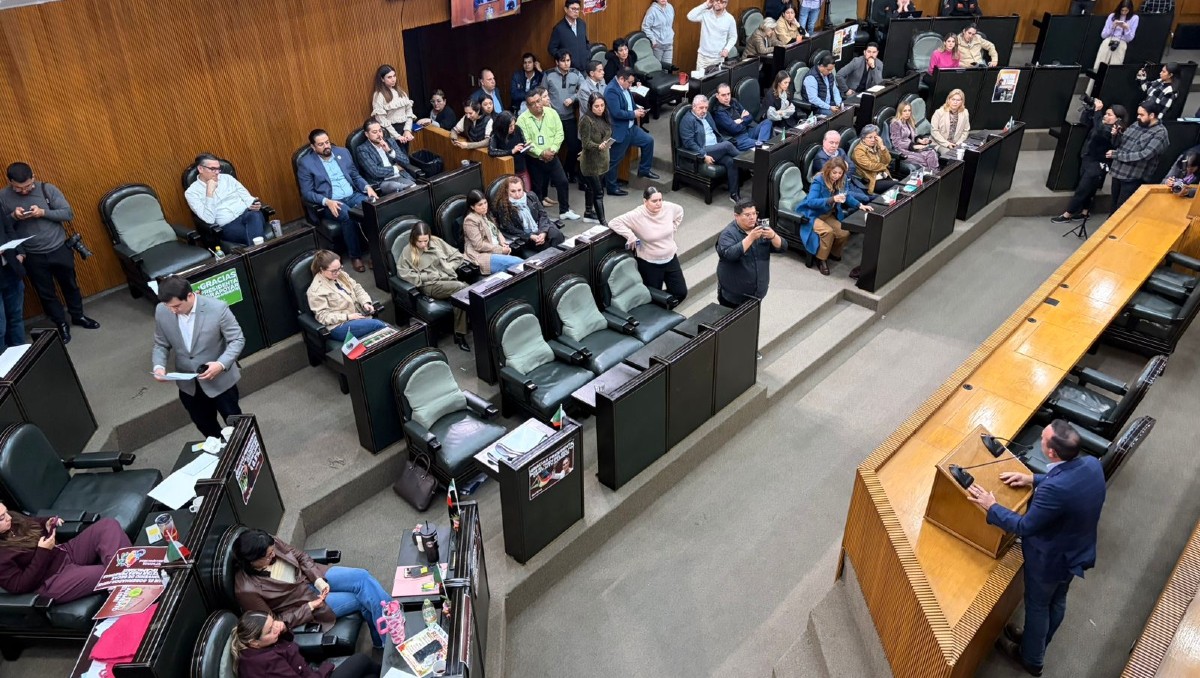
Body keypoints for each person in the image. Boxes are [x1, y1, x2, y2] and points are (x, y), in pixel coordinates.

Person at [965, 420, 1106, 677]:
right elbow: (1068, 480)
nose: (1040, 438)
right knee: (1058, 599)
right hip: (1076, 553)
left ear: (1051, 452)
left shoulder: (1053, 490)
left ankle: (1031, 659)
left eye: (1043, 438)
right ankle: (1037, 642)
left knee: (1038, 606)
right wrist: (1032, 478)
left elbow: (1024, 526)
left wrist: (991, 506)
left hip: (1049, 561)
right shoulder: (1092, 464)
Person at [232, 529, 392, 650]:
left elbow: (301, 556)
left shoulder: (268, 542)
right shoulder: (246, 590)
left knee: (362, 577)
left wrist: (318, 580)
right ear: (252, 561)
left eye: (273, 551)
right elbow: (274, 623)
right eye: (268, 555)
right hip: (305, 602)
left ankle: (388, 632)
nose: (273, 556)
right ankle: (390, 639)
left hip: (312, 576)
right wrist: (309, 607)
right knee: (362, 599)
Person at [0, 163, 99, 344]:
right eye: (18, 188)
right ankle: (61, 323)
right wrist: (13, 216)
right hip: (32, 254)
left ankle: (78, 315)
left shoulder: (47, 189)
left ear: (33, 177)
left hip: (58, 247)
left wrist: (43, 212)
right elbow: (3, 227)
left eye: (28, 186)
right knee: (46, 293)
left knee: (70, 285)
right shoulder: (3, 197)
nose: (24, 191)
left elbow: (67, 213)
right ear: (10, 182)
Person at [152, 275, 245, 439]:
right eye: (169, 307)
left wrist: (220, 364)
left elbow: (237, 340)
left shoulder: (217, 308)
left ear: (189, 296)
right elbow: (161, 344)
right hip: (189, 385)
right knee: (206, 428)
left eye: (176, 306)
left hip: (220, 381)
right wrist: (158, 366)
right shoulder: (162, 310)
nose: (173, 311)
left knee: (237, 427)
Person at [0, 505, 130, 603]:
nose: (9, 517)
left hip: (64, 552)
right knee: (112, 572)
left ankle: (129, 576)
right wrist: (43, 551)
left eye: (6, 512)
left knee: (108, 525)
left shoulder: (12, 519)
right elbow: (20, 585)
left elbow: (32, 522)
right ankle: (128, 580)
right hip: (52, 580)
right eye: (2, 517)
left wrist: (46, 523)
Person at [296, 129, 378, 272]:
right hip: (332, 201)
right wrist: (326, 201)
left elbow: (354, 175)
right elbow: (307, 193)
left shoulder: (343, 153)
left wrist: (367, 187)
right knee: (347, 215)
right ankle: (355, 256)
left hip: (352, 195)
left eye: (327, 142)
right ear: (313, 147)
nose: (326, 146)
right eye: (321, 144)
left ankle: (374, 254)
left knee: (371, 208)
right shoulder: (306, 163)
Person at [232, 611, 380, 678]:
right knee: (361, 660)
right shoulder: (264, 664)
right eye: (270, 630)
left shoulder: (261, 645)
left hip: (308, 671)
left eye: (273, 621)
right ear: (254, 642)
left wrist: (283, 630)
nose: (276, 627)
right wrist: (326, 669)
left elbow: (288, 646)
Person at [395, 223, 471, 351]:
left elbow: (457, 255)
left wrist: (449, 267)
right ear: (414, 239)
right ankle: (460, 333)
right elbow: (403, 273)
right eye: (420, 241)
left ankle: (460, 332)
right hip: (430, 285)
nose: (423, 244)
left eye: (426, 240)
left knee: (463, 293)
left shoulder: (436, 242)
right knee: (462, 289)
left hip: (448, 279)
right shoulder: (408, 251)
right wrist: (426, 276)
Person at [1051, 100, 1125, 223]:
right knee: (1089, 188)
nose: (1106, 116)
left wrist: (1098, 111)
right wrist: (1089, 110)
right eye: (1105, 113)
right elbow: (1085, 121)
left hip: (1098, 163)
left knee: (1083, 188)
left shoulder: (1114, 131)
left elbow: (1101, 131)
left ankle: (1067, 214)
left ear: (1118, 118)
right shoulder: (1101, 123)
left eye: (1109, 115)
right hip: (1088, 157)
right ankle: (1085, 212)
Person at [796, 158, 873, 276]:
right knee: (828, 232)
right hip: (813, 214)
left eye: (840, 173)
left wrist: (860, 205)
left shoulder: (841, 180)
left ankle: (832, 252)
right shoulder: (819, 180)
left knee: (844, 233)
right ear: (828, 170)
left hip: (828, 213)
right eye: (834, 173)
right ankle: (821, 259)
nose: (837, 176)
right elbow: (811, 202)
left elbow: (846, 196)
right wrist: (831, 199)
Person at [608, 187, 688, 301]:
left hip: (670, 258)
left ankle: (665, 306)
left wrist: (673, 228)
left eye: (660, 200)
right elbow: (614, 223)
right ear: (645, 201)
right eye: (654, 201)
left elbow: (680, 211)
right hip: (650, 264)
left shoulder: (669, 208)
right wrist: (631, 236)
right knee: (654, 297)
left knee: (680, 292)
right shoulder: (637, 215)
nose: (658, 203)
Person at [517, 91, 580, 220]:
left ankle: (564, 210)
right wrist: (541, 153)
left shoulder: (552, 113)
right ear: (528, 106)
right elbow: (526, 141)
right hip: (534, 159)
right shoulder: (522, 120)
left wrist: (553, 150)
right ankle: (540, 216)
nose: (537, 105)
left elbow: (559, 133)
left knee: (562, 182)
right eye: (532, 104)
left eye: (538, 101)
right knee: (537, 189)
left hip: (552, 156)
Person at [715, 199, 786, 311]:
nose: (752, 217)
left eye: (754, 213)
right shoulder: (728, 234)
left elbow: (782, 247)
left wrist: (773, 236)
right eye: (747, 215)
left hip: (757, 293)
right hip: (734, 297)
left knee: (752, 320)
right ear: (736, 216)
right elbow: (729, 255)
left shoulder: (761, 227)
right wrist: (751, 238)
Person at [184, 154, 268, 246]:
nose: (217, 172)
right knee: (255, 234)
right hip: (228, 226)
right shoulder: (191, 193)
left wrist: (254, 204)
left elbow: (247, 198)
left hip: (248, 214)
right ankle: (263, 247)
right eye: (213, 169)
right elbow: (209, 219)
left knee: (255, 215)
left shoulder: (228, 178)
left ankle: (258, 250)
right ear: (200, 169)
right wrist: (209, 193)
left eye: (218, 169)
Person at [305, 250, 388, 343]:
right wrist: (348, 317)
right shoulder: (316, 290)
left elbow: (357, 289)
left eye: (339, 268)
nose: (338, 273)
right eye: (333, 271)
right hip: (339, 325)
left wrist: (365, 302)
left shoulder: (341, 275)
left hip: (357, 315)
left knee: (383, 330)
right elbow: (323, 317)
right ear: (321, 269)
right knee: (378, 325)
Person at [604, 68, 659, 195]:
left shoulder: (625, 86)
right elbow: (616, 113)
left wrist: (638, 109)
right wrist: (634, 114)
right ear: (621, 79)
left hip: (631, 127)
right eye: (629, 82)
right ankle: (611, 187)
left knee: (648, 141)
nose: (630, 85)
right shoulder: (611, 90)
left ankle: (644, 170)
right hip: (619, 130)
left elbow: (630, 103)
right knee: (614, 160)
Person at [1107, 100, 1169, 212]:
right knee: (1113, 205)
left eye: (1141, 114)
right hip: (1118, 171)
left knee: (1123, 209)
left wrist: (1117, 155)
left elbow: (1145, 155)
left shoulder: (1160, 133)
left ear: (1152, 115)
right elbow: (1121, 143)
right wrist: (1116, 135)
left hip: (1133, 176)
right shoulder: (1137, 124)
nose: (1138, 117)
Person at [679, 94, 743, 202]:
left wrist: (721, 142)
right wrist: (703, 155)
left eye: (706, 108)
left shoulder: (707, 115)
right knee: (727, 145)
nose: (704, 111)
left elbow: (716, 133)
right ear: (694, 107)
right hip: (703, 150)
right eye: (701, 108)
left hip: (716, 148)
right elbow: (689, 143)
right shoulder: (688, 120)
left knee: (731, 161)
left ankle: (734, 194)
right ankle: (747, 162)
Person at [492, 175, 567, 257]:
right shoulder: (503, 205)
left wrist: (543, 232)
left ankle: (561, 258)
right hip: (525, 234)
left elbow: (542, 214)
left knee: (557, 236)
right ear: (507, 190)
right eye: (513, 191)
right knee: (547, 246)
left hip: (540, 226)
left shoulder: (531, 196)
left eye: (519, 190)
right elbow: (510, 228)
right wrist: (531, 236)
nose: (517, 194)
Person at [546, 51, 585, 183]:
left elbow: (584, 89)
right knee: (553, 149)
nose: (566, 63)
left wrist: (573, 98)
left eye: (568, 60)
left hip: (569, 117)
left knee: (574, 147)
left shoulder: (576, 73)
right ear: (557, 62)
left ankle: (567, 171)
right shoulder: (548, 74)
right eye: (563, 61)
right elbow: (542, 92)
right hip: (552, 119)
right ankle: (554, 177)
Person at [463, 190, 523, 275]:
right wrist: (500, 249)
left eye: (485, 203)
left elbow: (496, 230)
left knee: (516, 270)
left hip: (495, 250)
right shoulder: (470, 220)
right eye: (480, 205)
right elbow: (478, 245)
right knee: (518, 263)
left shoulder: (485, 214)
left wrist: (503, 242)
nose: (484, 206)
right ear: (472, 207)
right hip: (482, 255)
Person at [579, 93, 615, 225]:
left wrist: (606, 143)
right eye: (596, 106)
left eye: (602, 105)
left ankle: (588, 212)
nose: (600, 109)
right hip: (591, 163)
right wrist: (598, 146)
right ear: (590, 106)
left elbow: (607, 133)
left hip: (603, 160)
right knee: (599, 193)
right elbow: (586, 143)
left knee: (591, 188)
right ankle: (603, 222)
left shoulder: (605, 116)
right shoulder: (586, 120)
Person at [354, 121, 417, 196]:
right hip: (382, 182)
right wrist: (396, 168)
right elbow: (375, 172)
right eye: (374, 132)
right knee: (398, 187)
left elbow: (406, 161)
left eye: (380, 131)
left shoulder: (390, 142)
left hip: (399, 176)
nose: (379, 134)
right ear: (367, 134)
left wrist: (390, 151)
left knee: (414, 188)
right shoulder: (362, 149)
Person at [813, 130, 870, 201]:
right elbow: (832, 177)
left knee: (869, 196)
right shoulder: (820, 158)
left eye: (837, 143)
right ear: (824, 141)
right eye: (831, 142)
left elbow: (852, 167)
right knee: (865, 199)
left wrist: (843, 173)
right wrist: (845, 168)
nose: (834, 146)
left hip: (850, 182)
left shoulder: (840, 151)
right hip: (837, 190)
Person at [713, 82, 771, 150]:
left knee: (768, 122)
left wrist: (740, 120)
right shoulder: (719, 112)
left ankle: (761, 143)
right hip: (738, 139)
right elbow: (734, 129)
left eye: (728, 94)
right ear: (717, 95)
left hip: (747, 131)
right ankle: (761, 145)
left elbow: (750, 117)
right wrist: (743, 118)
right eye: (723, 95)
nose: (727, 97)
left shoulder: (734, 101)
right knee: (762, 145)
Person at [687, 0, 738, 71]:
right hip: (703, 58)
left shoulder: (730, 19)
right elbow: (690, 16)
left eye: (721, 1)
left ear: (725, 4)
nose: (718, 2)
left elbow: (733, 37)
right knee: (700, 78)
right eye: (716, 0)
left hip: (718, 58)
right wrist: (705, 5)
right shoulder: (705, 14)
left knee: (716, 78)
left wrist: (727, 49)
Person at [370, 65, 415, 145]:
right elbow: (381, 119)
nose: (393, 79)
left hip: (405, 129)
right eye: (389, 77)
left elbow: (409, 112)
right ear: (382, 79)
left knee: (405, 152)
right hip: (390, 132)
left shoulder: (400, 91)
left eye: (394, 76)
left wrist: (407, 130)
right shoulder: (379, 95)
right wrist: (397, 136)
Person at [889, 101, 940, 171]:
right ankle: (929, 174)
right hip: (902, 151)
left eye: (909, 110)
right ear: (900, 112)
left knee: (932, 153)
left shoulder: (909, 121)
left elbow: (913, 136)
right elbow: (896, 143)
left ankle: (935, 173)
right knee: (923, 159)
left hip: (912, 148)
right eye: (905, 111)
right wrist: (914, 146)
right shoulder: (895, 123)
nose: (907, 113)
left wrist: (920, 141)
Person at [0, 213, 25, 348]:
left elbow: (7, 228)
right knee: (0, 328)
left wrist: (20, 251)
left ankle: (22, 355)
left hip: (10, 269)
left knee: (16, 317)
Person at [489, 111, 531, 189]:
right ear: (503, 126)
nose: (513, 128)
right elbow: (491, 151)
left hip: (521, 168)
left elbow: (523, 142)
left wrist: (526, 147)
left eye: (513, 124)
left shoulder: (517, 129)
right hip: (508, 171)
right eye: (510, 126)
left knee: (527, 192)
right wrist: (511, 151)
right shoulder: (496, 134)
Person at [548, 0, 591, 76]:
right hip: (569, 71)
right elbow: (552, 48)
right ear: (566, 9)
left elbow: (586, 42)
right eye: (573, 9)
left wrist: (587, 55)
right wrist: (563, 60)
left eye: (578, 9)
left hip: (584, 69)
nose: (576, 11)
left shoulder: (582, 24)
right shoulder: (559, 28)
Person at [852, 125, 898, 194]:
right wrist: (884, 166)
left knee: (900, 188)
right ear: (863, 138)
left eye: (875, 137)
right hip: (873, 181)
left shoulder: (877, 146)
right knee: (899, 185)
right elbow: (870, 166)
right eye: (870, 137)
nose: (873, 140)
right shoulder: (858, 151)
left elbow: (887, 160)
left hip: (884, 176)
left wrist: (882, 147)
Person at [1095, 0, 1137, 71]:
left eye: (1126, 11)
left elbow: (1129, 39)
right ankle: (1096, 77)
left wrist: (1126, 29)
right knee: (1099, 64)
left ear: (1130, 10)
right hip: (1109, 40)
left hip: (1122, 42)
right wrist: (1113, 27)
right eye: (1122, 10)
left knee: (1115, 67)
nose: (1123, 13)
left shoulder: (1134, 18)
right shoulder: (1112, 16)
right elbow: (1103, 35)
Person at [930, 89, 971, 157]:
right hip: (939, 143)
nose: (955, 102)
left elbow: (966, 130)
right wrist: (947, 144)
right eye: (953, 99)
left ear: (962, 101)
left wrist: (958, 143)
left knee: (968, 155)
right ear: (948, 100)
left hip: (956, 144)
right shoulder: (939, 112)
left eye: (958, 100)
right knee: (950, 155)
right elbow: (934, 131)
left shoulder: (965, 112)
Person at [642, 0, 677, 66]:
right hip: (658, 45)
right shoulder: (652, 10)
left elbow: (669, 25)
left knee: (668, 68)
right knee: (657, 68)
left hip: (669, 44)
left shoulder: (670, 7)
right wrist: (653, 40)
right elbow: (645, 27)